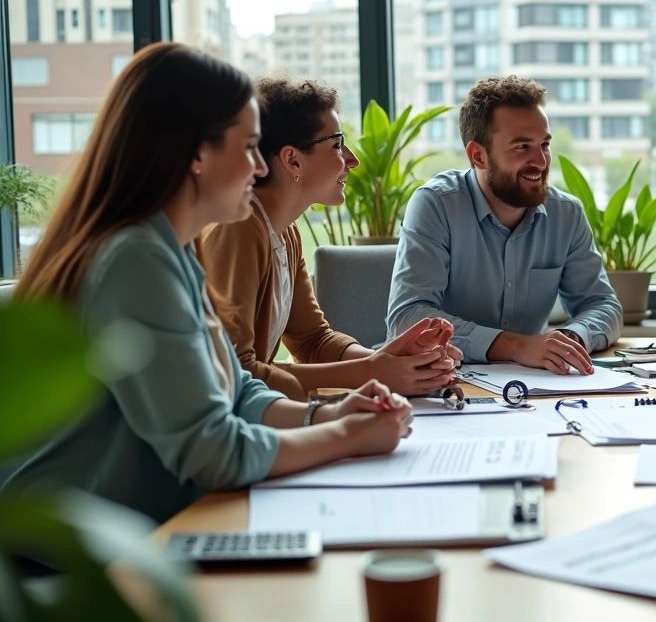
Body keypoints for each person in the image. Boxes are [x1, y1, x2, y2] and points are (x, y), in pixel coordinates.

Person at [3, 43, 412, 525]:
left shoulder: (172, 248)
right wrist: (347, 437)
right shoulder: (136, 260)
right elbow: (212, 451)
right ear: (197, 154)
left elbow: (235, 389)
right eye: (247, 148)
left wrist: (327, 416)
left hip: (138, 527)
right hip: (66, 555)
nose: (260, 168)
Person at [196, 77, 460, 401]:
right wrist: (373, 372)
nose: (352, 159)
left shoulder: (285, 231)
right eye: (337, 145)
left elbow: (312, 341)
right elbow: (236, 371)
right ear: (293, 160)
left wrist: (392, 360)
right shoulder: (238, 228)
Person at [386, 76, 622, 375]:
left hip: (533, 389)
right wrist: (517, 346)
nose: (540, 161)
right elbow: (408, 317)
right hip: (441, 384)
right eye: (522, 147)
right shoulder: (437, 205)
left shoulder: (566, 214)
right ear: (478, 156)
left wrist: (568, 339)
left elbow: (604, 306)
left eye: (544, 144)